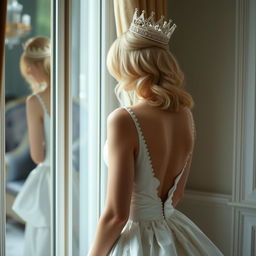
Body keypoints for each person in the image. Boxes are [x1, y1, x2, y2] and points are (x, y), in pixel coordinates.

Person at [88, 9, 223, 256]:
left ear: (130, 67)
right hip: (174, 231)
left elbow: (117, 214)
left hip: (136, 239)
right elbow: (177, 194)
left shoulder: (123, 119)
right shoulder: (185, 115)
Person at [12, 36, 51, 256]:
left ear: (36, 65)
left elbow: (38, 156)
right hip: (72, 176)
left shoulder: (35, 101)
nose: (28, 73)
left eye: (28, 68)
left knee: (43, 234)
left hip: (48, 179)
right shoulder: (71, 97)